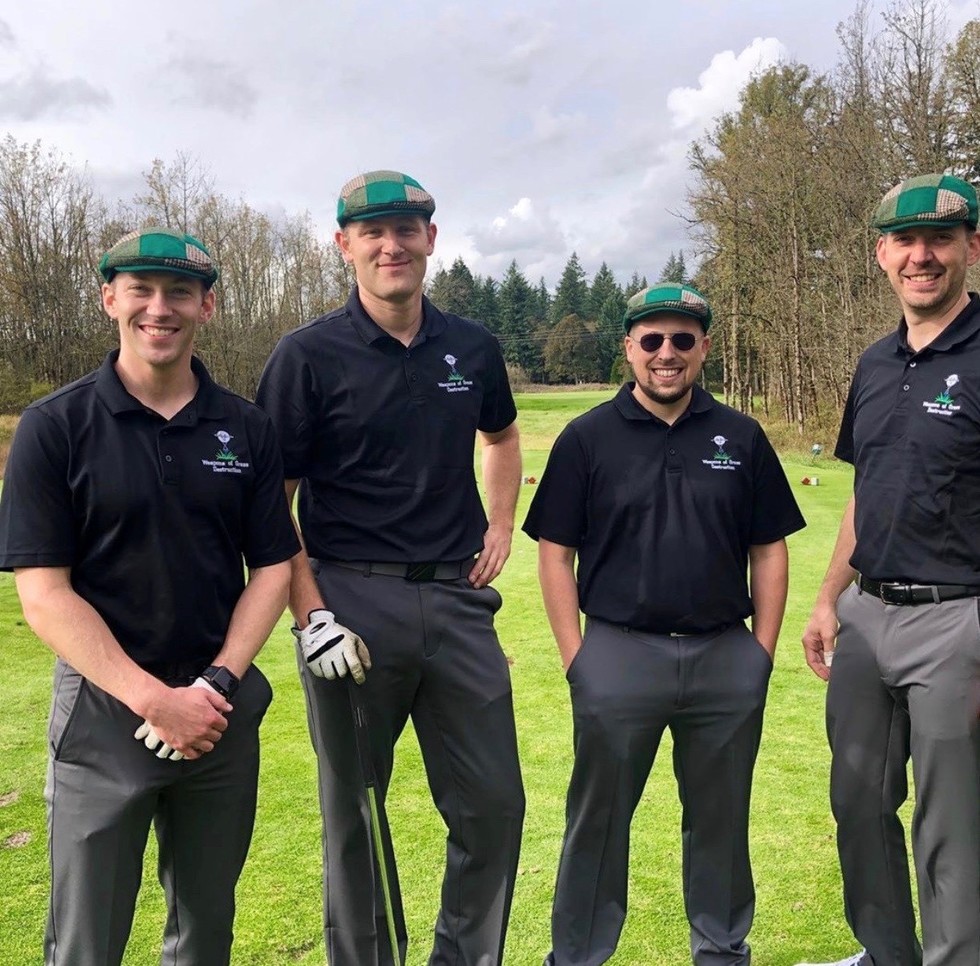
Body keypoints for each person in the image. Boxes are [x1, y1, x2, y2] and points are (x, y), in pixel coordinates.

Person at [0, 226, 299, 966]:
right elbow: (44, 594)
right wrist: (153, 699)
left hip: (218, 712)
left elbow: (273, 568)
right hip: (105, 713)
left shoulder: (246, 427)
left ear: (207, 306)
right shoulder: (54, 426)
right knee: (86, 940)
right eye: (141, 289)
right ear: (111, 299)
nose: (159, 308)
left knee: (205, 934)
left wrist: (216, 683)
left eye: (179, 293)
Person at [255, 169, 526, 966]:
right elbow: (270, 504)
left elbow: (502, 437)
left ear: (430, 239)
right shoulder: (305, 356)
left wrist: (501, 523)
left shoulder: (472, 346)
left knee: (494, 807)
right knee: (357, 816)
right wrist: (312, 616)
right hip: (351, 600)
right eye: (371, 232)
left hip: (458, 600)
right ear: (344, 246)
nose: (390, 246)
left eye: (406, 230)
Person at [523, 282, 805, 966]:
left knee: (721, 822)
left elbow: (769, 548)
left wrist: (760, 655)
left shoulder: (741, 436)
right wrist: (577, 659)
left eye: (683, 339)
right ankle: (577, 956)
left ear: (704, 347)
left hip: (724, 657)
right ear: (629, 348)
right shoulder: (587, 438)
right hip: (618, 655)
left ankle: (722, 950)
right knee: (597, 823)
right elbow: (555, 554)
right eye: (652, 339)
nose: (667, 353)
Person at [798, 174, 980, 966]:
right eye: (905, 241)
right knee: (858, 802)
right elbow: (865, 493)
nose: (922, 256)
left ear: (973, 247)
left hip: (959, 618)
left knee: (953, 822)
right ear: (881, 254)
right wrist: (827, 598)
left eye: (940, 239)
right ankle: (886, 954)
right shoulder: (874, 364)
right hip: (868, 617)